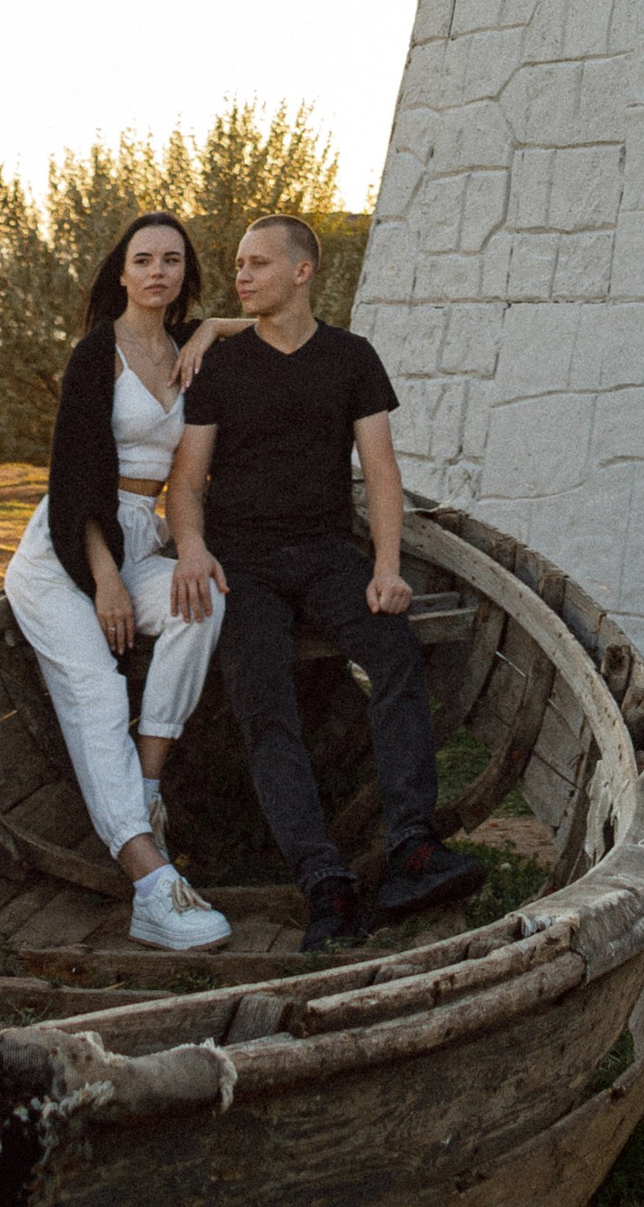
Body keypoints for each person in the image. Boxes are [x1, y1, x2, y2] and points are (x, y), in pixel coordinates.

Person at [164, 212, 483, 945]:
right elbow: (185, 482)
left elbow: (381, 469)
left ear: (302, 271)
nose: (241, 275)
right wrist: (191, 547)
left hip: (327, 552)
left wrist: (388, 568)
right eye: (238, 264)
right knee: (264, 700)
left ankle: (410, 846)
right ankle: (325, 883)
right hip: (241, 564)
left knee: (397, 657)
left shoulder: (351, 357)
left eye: (258, 264)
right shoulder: (217, 364)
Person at [2, 210, 241, 952]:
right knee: (99, 689)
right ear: (122, 272)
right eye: (143, 258)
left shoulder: (185, 343)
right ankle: (149, 884)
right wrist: (103, 577)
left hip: (143, 537)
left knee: (201, 604)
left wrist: (208, 331)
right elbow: (72, 474)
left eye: (171, 259)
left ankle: (143, 787)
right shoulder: (94, 353)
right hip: (67, 551)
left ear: (183, 273)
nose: (157, 271)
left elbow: (284, 322)